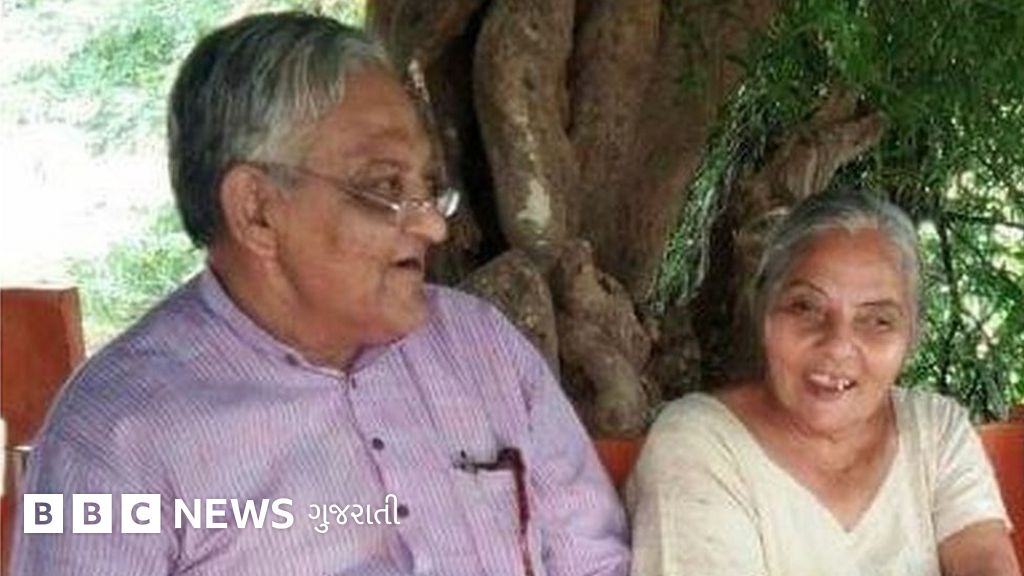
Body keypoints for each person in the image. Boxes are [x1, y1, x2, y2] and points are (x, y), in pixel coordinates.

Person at [13, 12, 629, 575]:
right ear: (257, 212)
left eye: (428, 187)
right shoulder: (109, 440)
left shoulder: (482, 348)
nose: (432, 226)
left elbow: (595, 563)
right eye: (385, 187)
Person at [628, 190, 1019, 576]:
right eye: (806, 307)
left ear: (912, 336)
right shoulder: (699, 443)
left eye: (878, 320)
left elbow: (986, 564)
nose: (837, 345)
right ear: (763, 309)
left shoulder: (935, 430)